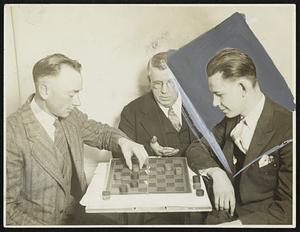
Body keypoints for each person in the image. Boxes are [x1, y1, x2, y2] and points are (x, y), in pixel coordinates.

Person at [6, 53, 148, 225]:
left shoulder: (69, 115)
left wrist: (123, 141)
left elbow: (99, 132)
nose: (78, 102)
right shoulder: (11, 133)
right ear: (44, 90)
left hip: (77, 215)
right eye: (71, 95)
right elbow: (7, 210)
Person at [186, 48, 292, 225]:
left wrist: (237, 225)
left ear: (242, 87)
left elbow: (289, 209)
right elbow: (197, 148)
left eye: (219, 95)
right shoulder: (231, 119)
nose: (214, 103)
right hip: (221, 214)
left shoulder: (288, 128)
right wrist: (217, 173)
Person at [116, 51, 199, 225]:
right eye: (157, 84)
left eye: (171, 82)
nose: (164, 90)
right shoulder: (132, 112)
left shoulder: (203, 105)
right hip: (155, 207)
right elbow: (118, 158)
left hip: (200, 202)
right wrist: (147, 149)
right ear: (149, 82)